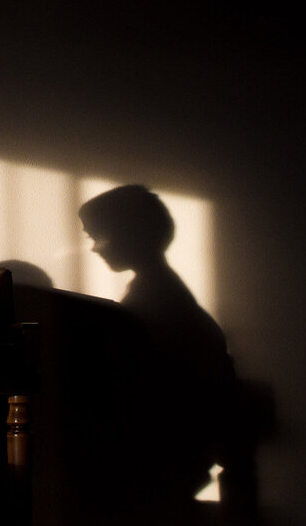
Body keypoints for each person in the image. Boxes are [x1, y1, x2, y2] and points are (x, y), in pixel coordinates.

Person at [77, 184, 235, 523]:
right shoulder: (162, 295)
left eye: (98, 236)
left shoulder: (157, 303)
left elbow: (142, 392)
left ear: (129, 234)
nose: (94, 248)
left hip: (163, 464)